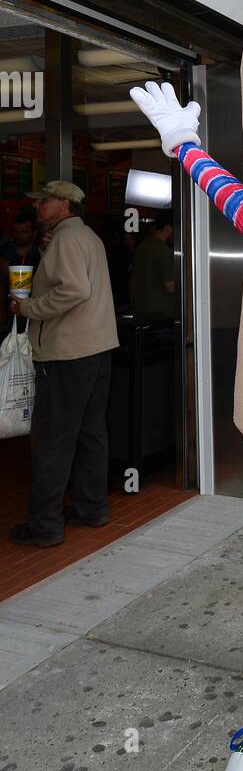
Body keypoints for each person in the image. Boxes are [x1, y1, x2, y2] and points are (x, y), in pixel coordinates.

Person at [8, 180, 119, 547]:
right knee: (90, 433)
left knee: (53, 439)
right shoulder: (85, 237)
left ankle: (45, 525)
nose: (37, 207)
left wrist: (29, 308)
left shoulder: (67, 240)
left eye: (44, 201)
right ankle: (92, 508)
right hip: (96, 349)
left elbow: (74, 289)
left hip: (67, 353)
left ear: (64, 205)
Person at [0, 207, 41, 338]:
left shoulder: (42, 254)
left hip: (34, 315)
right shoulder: (3, 252)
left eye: (24, 232)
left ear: (34, 233)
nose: (19, 235)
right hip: (6, 315)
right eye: (16, 231)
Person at [131, 211, 175, 322]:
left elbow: (132, 279)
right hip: (162, 315)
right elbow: (170, 286)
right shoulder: (165, 251)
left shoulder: (141, 247)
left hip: (141, 311)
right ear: (168, 229)